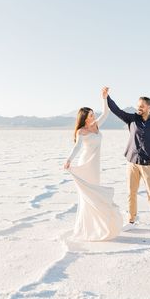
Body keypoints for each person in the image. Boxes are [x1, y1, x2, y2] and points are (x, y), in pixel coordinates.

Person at [64, 87, 123, 241]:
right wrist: (69, 160)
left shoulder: (96, 125)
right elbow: (77, 147)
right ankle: (88, 227)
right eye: (91, 115)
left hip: (95, 166)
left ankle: (99, 225)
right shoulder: (81, 131)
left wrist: (104, 98)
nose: (93, 116)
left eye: (93, 114)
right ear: (85, 117)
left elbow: (106, 113)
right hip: (85, 164)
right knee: (88, 195)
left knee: (95, 192)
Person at [107, 94, 150, 237]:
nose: (138, 108)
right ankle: (131, 221)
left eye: (141, 106)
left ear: (149, 107)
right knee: (131, 193)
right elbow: (117, 110)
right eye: (138, 106)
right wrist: (107, 98)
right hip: (132, 162)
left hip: (149, 164)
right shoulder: (132, 119)